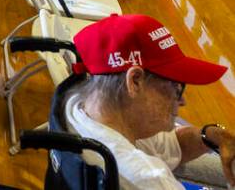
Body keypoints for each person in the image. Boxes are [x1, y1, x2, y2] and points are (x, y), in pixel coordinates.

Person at [61, 14, 234, 190]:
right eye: (176, 87)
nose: (182, 100)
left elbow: (170, 144)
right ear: (135, 81)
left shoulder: (77, 105)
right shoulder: (149, 180)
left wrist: (214, 135)